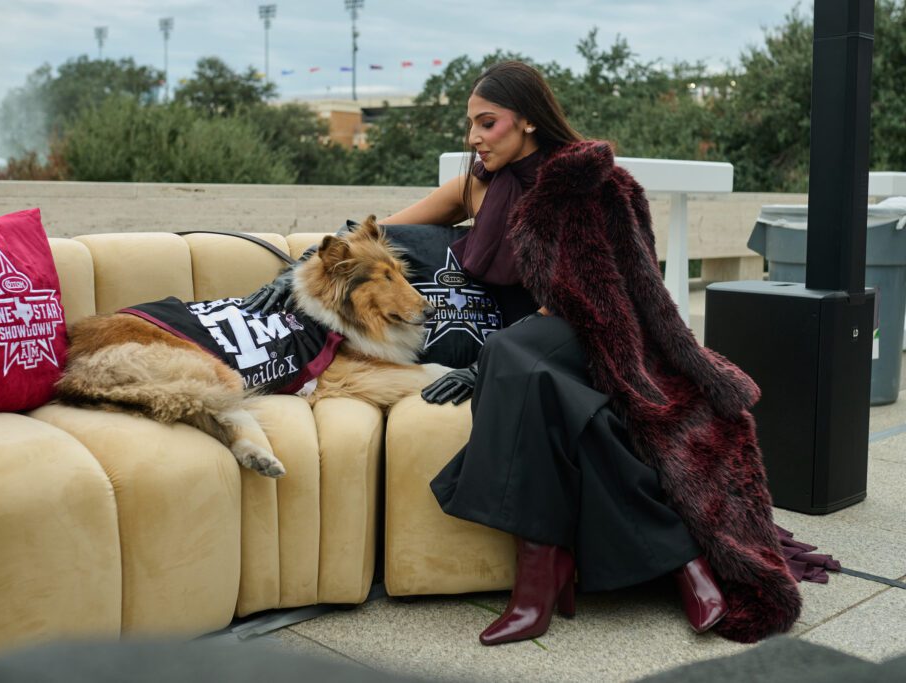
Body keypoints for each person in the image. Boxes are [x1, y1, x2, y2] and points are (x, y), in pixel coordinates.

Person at [245, 61, 804, 646]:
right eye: (470, 125)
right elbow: (377, 233)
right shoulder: (475, 185)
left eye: (487, 123)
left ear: (529, 121)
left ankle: (542, 585)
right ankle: (673, 558)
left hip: (589, 333)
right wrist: (303, 267)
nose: (473, 138)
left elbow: (607, 291)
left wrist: (482, 363)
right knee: (545, 387)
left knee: (512, 358)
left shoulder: (588, 183)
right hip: (529, 351)